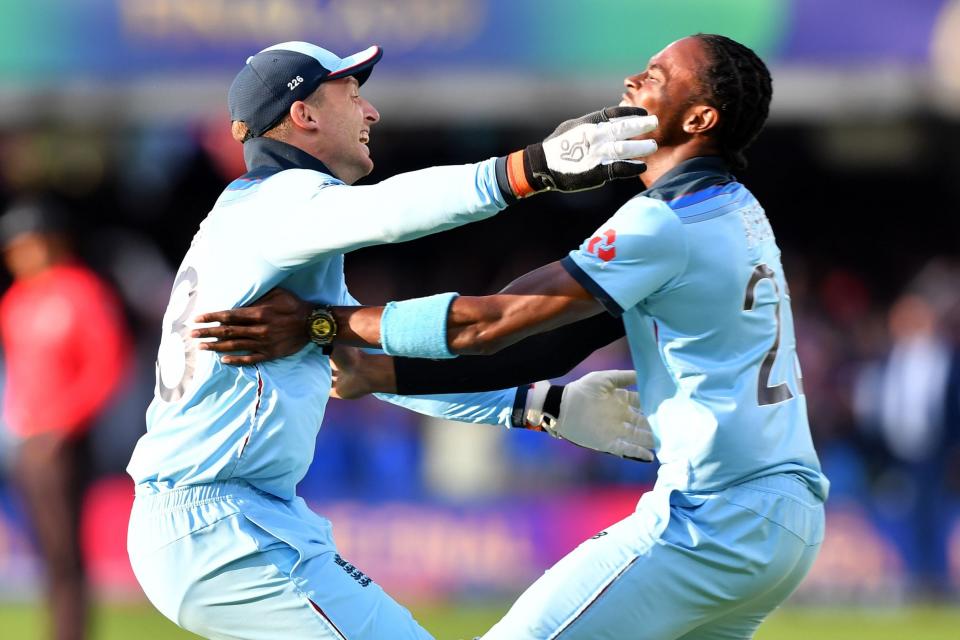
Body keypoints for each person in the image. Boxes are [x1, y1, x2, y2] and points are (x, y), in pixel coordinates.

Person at [197, 34, 830, 639]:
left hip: (714, 517)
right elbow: (549, 347)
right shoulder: (736, 209)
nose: (632, 81)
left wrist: (324, 322)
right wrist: (379, 373)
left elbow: (489, 322)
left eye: (657, 77)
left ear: (698, 121)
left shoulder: (662, 224)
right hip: (787, 517)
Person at [126, 40, 660, 640]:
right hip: (220, 523)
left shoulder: (265, 223)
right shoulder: (278, 204)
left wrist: (538, 407)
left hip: (227, 520)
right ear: (303, 115)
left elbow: (378, 364)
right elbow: (390, 211)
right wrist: (529, 169)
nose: (371, 113)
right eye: (353, 96)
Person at [0, 197, 131, 640]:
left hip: (63, 443)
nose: (18, 256)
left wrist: (64, 423)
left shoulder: (81, 291)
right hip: (26, 440)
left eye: (26, 245)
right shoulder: (16, 301)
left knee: (64, 551)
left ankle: (70, 633)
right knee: (43, 550)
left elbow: (106, 364)